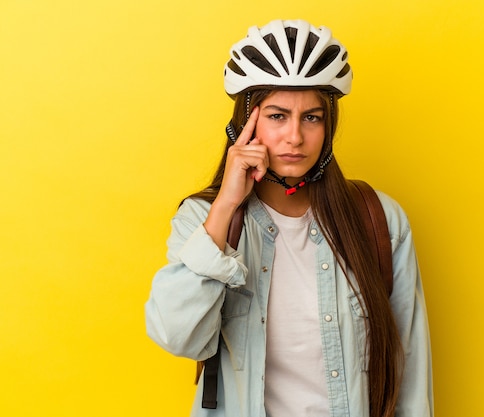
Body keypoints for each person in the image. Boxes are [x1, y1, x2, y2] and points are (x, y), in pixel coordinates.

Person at [145, 19, 433, 417]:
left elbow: (410, 369)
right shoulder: (202, 220)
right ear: (245, 124)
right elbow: (178, 337)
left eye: (311, 118)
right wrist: (226, 205)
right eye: (277, 116)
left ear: (328, 125)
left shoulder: (379, 219)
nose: (294, 137)